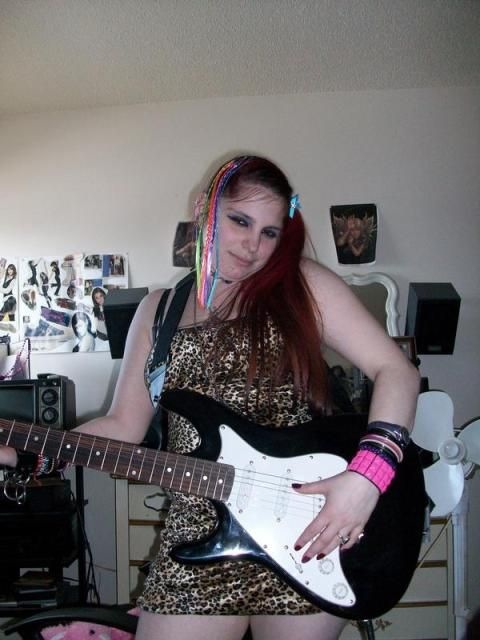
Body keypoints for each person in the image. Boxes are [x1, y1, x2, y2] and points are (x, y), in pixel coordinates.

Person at [0, 155, 420, 640]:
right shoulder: (158, 310)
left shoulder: (302, 285)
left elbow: (397, 371)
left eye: (269, 232)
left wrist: (366, 479)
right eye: (240, 221)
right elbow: (121, 427)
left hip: (303, 526)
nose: (253, 245)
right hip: (196, 528)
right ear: (205, 208)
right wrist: (25, 453)